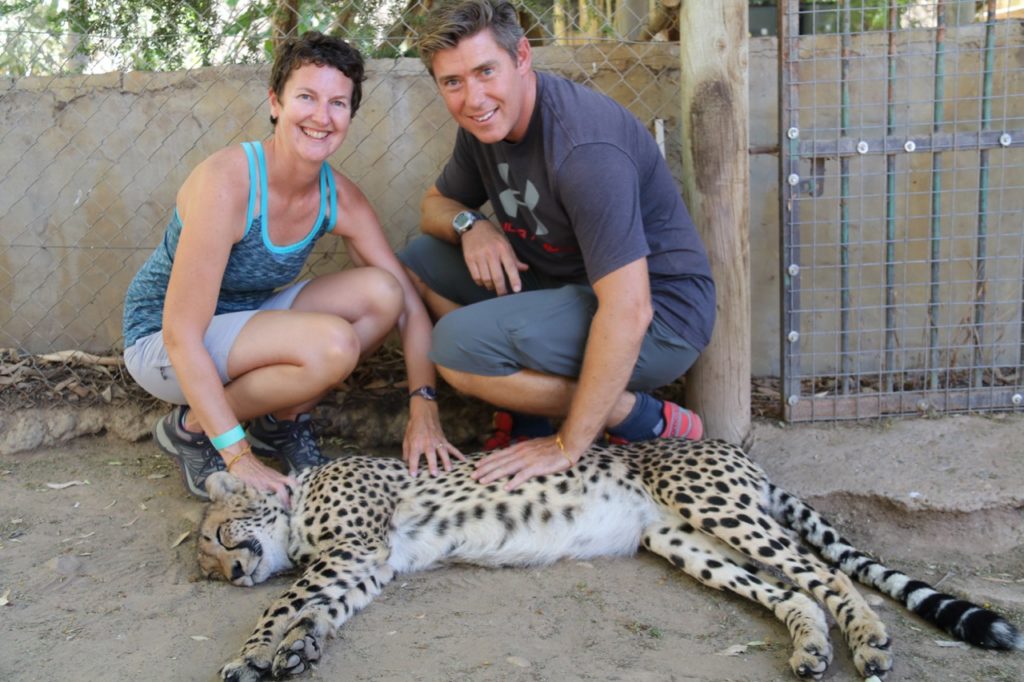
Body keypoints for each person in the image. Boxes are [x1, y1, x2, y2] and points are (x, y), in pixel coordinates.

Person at [123, 32, 460, 502]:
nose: (322, 117)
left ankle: (279, 423)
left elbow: (405, 307)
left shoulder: (339, 197)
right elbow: (181, 334)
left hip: (249, 325)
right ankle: (193, 429)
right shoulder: (228, 183)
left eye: (338, 103)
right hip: (162, 343)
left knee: (384, 292)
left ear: (350, 116)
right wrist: (240, 459)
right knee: (333, 344)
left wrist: (423, 406)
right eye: (306, 97)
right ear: (275, 103)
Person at [398, 0, 716, 490]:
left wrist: (569, 445)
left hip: (662, 316)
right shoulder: (483, 124)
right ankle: (528, 408)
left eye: (486, 71)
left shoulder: (583, 150)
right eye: (453, 82)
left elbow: (630, 310)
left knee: (455, 349)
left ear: (522, 55)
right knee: (417, 263)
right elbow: (435, 205)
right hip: (567, 282)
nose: (473, 97)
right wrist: (471, 225)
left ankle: (638, 417)